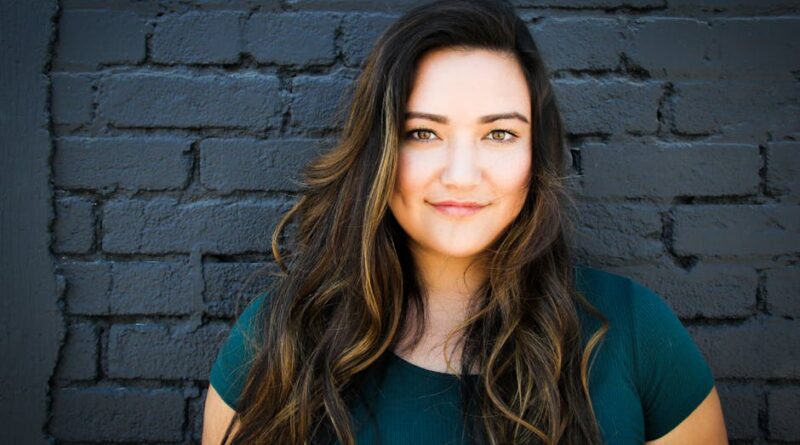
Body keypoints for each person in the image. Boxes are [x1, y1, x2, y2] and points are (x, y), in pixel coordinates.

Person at [202, 0, 728, 443]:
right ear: (378, 151)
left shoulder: (636, 332)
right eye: (423, 133)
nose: (460, 175)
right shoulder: (280, 338)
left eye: (499, 134)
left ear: (535, 157)